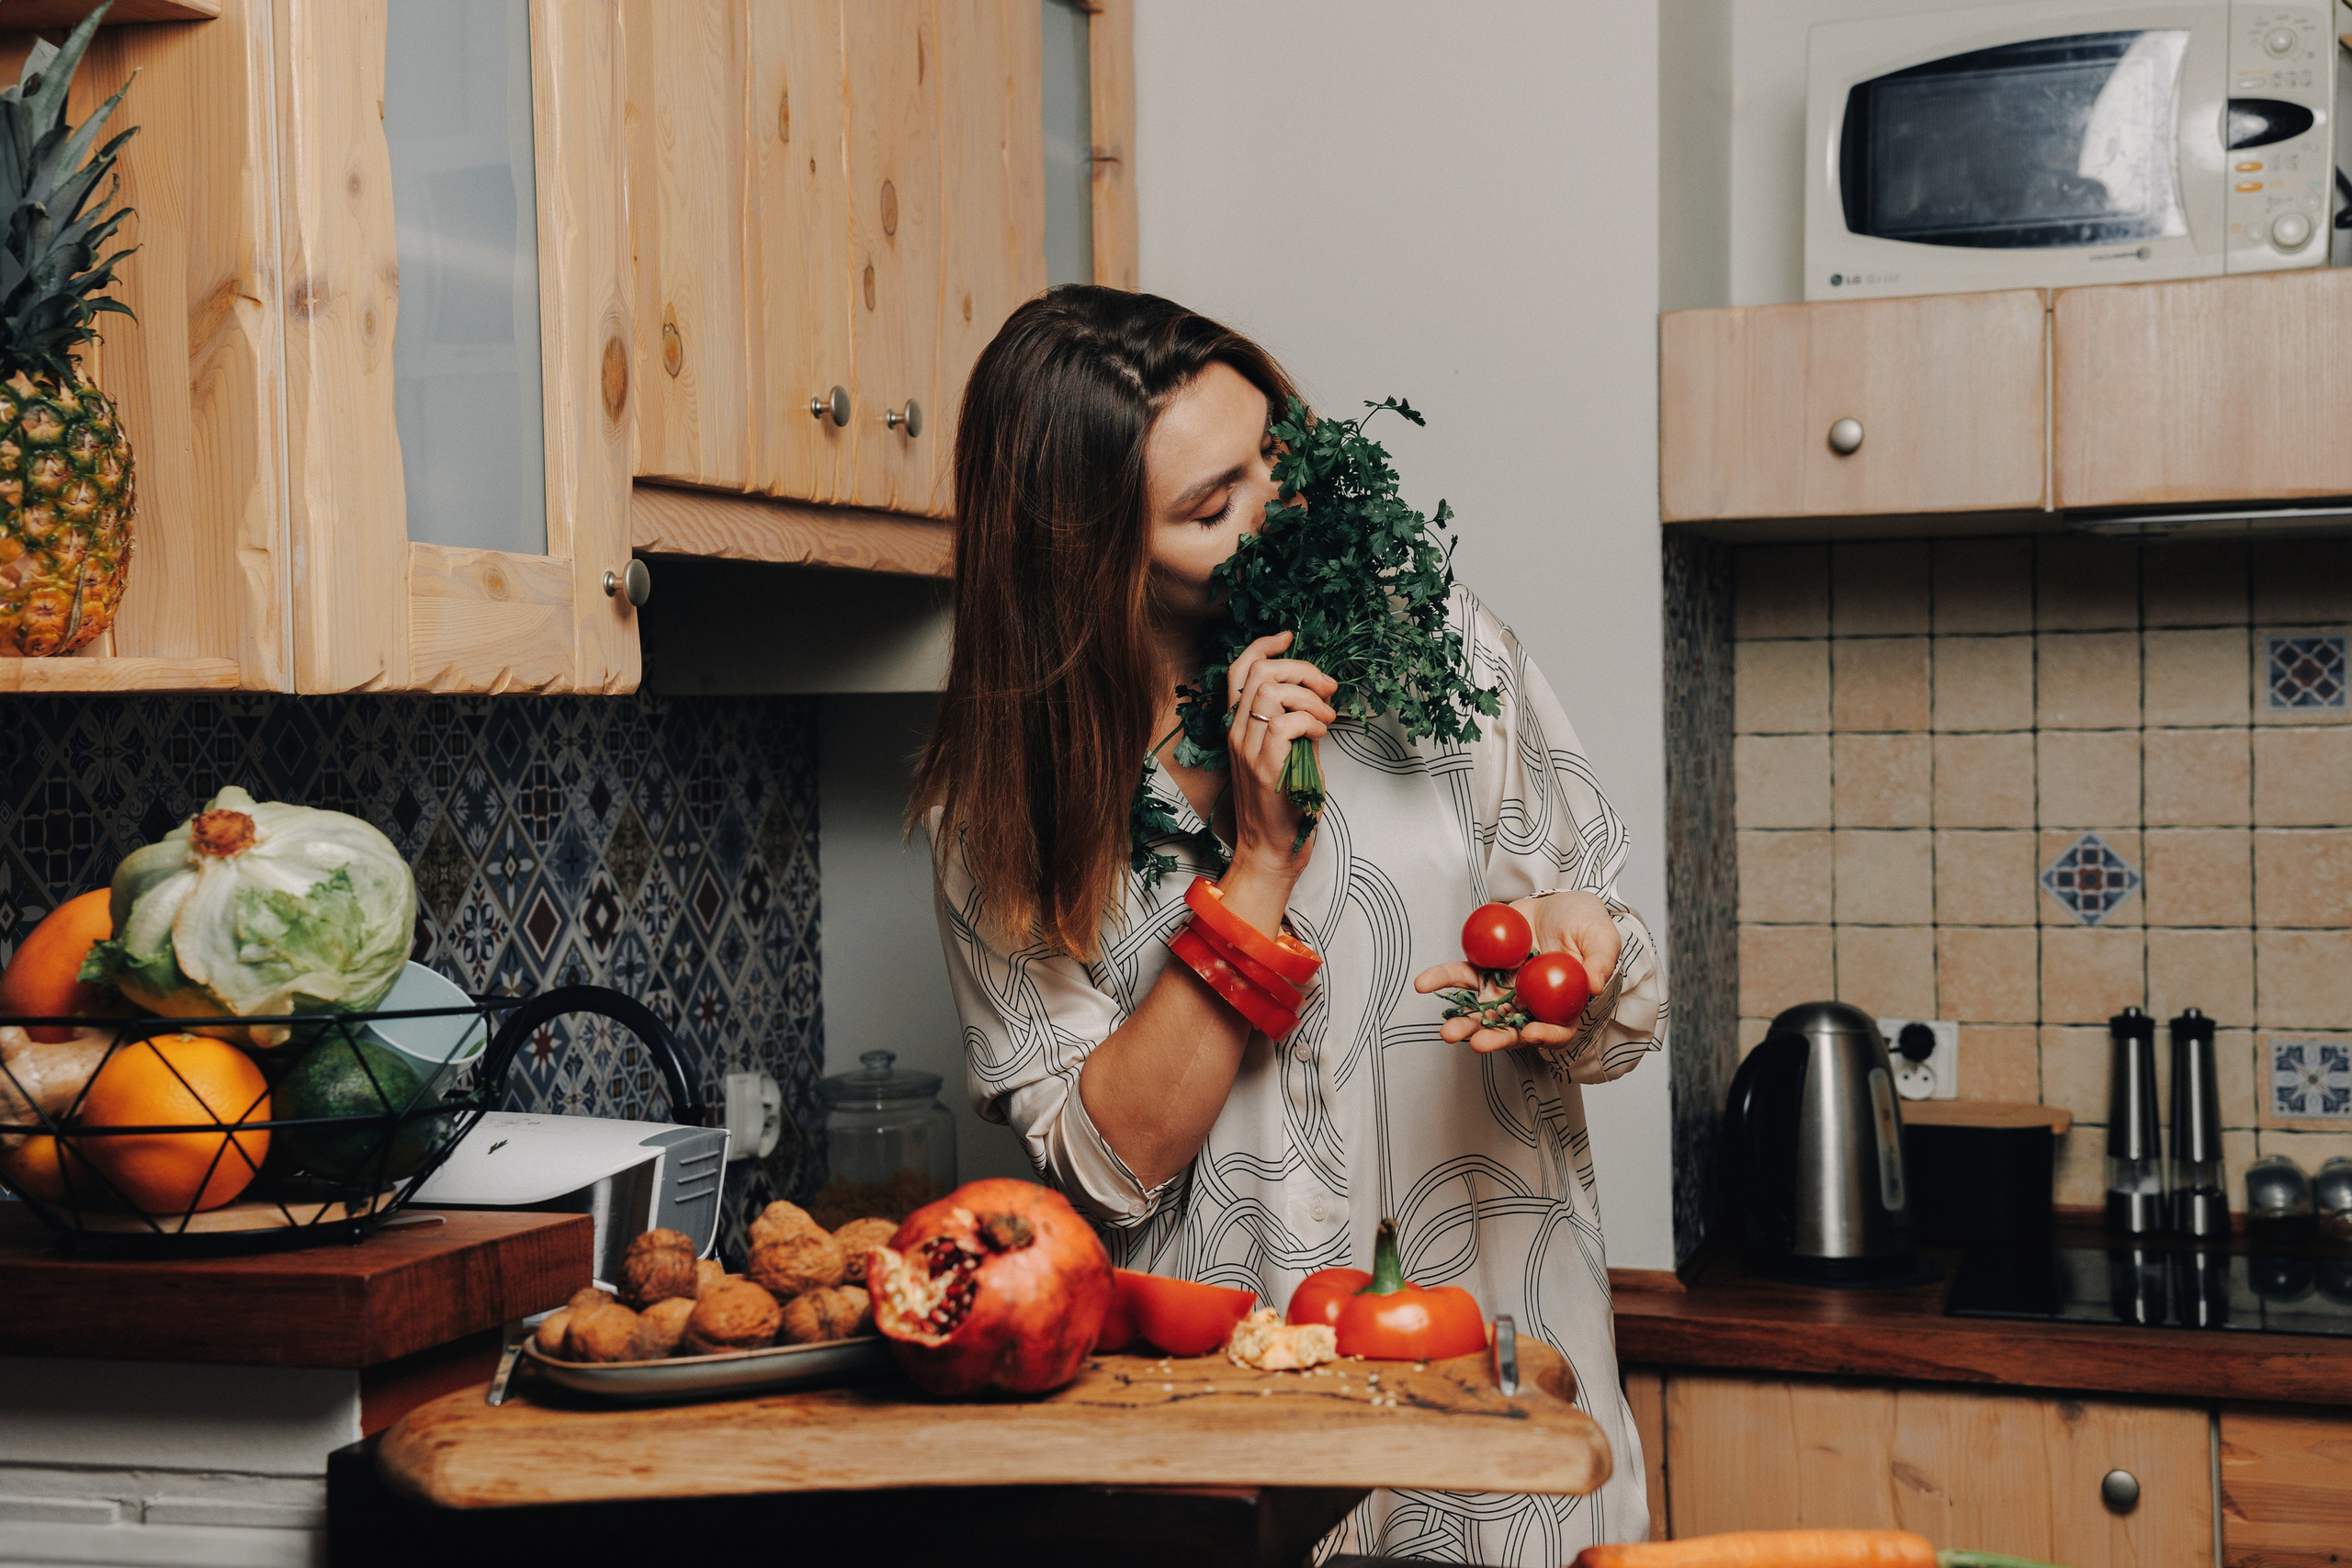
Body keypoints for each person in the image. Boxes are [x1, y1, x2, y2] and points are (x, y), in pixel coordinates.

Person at [911, 286, 1666, 1562]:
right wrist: (1259, 862)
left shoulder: (1445, 660)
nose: (1281, 506)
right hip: (1216, 1464)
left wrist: (1582, 960)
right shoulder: (1002, 814)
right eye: (1213, 505)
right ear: (1089, 553)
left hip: (1492, 1435)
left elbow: (1618, 991)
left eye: (1278, 456)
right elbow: (1106, 1167)